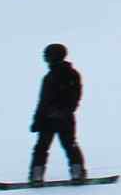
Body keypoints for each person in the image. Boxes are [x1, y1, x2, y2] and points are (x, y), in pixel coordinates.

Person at [28, 43, 86, 185]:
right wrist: (66, 111)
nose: (44, 57)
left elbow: (44, 101)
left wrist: (39, 119)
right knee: (69, 145)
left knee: (43, 148)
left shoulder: (52, 77)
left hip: (51, 118)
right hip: (61, 117)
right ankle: (77, 172)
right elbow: (75, 97)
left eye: (46, 55)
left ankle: (37, 175)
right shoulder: (70, 74)